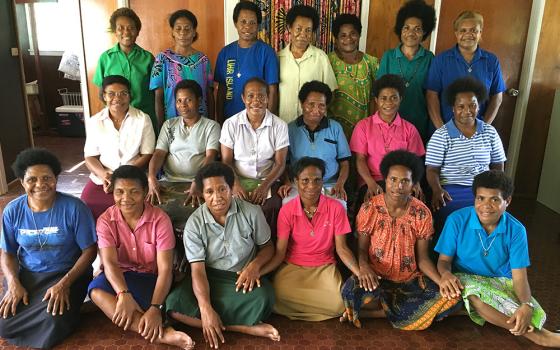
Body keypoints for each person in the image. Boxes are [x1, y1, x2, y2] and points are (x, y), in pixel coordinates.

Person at [435, 170, 560, 347]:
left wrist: (526, 304)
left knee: (528, 311)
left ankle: (541, 331)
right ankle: (542, 338)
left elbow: (519, 277)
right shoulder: (457, 220)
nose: (485, 206)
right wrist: (446, 274)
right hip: (465, 277)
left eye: (494, 199)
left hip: (501, 280)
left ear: (507, 201)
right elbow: (443, 261)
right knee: (475, 295)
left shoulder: (516, 230)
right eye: (480, 198)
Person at [340, 150, 461, 330]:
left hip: (409, 280)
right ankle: (406, 313)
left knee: (452, 297)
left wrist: (440, 279)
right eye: (393, 179)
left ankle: (371, 313)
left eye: (405, 181)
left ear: (413, 185)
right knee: (350, 291)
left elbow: (423, 259)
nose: (398, 186)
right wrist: (364, 267)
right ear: (385, 180)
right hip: (376, 277)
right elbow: (362, 250)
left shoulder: (421, 213)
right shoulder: (369, 208)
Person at [165, 162, 280, 348]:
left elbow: (268, 247)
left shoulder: (251, 212)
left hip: (239, 277)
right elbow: (198, 271)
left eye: (222, 189)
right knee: (173, 304)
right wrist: (205, 308)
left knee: (264, 296)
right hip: (208, 276)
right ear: (202, 195)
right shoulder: (194, 224)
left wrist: (254, 266)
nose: (217, 197)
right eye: (209, 192)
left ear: (231, 188)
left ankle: (213, 321)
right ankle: (244, 327)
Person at [87, 165, 194, 349]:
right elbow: (110, 264)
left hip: (152, 279)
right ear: (112, 192)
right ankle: (163, 335)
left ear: (145, 192)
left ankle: (153, 314)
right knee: (96, 291)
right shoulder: (105, 220)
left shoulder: (160, 220)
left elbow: (165, 270)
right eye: (119, 192)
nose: (126, 199)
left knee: (169, 307)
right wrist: (123, 294)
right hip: (121, 278)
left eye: (133, 192)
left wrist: (154, 307)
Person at [0, 148, 97, 349]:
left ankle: (71, 306)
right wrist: (13, 282)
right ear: (21, 182)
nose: (40, 185)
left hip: (68, 274)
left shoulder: (74, 208)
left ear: (56, 178)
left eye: (47, 178)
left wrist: (64, 284)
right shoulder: (13, 210)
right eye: (32, 180)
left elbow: (90, 252)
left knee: (53, 322)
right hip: (29, 274)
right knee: (3, 321)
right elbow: (7, 252)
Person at [260, 157, 360, 321]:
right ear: (295, 182)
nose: (311, 186)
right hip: (292, 266)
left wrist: (358, 272)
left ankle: (299, 310)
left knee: (339, 303)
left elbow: (342, 249)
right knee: (274, 295)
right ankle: (320, 311)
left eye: (317, 180)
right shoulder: (287, 211)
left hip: (324, 267)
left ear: (323, 181)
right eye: (305, 180)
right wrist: (259, 272)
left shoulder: (336, 208)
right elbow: (279, 254)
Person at [426, 76, 506, 234]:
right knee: (456, 220)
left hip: (484, 190)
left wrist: (497, 190)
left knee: (494, 217)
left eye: (472, 105)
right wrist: (437, 190)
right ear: (453, 108)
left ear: (479, 106)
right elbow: (432, 170)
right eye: (461, 106)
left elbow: (498, 165)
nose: (467, 111)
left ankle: (483, 255)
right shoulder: (441, 135)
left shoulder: (489, 132)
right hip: (451, 190)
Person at [147, 79, 220, 233]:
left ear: (199, 101)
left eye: (188, 100)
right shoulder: (169, 125)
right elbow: (159, 153)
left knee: (200, 219)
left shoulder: (211, 126)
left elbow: (210, 157)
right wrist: (152, 177)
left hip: (198, 183)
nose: (183, 105)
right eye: (179, 100)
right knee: (153, 216)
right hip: (170, 182)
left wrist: (198, 181)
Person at [220, 77, 289, 237]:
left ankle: (266, 245)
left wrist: (264, 187)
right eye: (250, 96)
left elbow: (280, 163)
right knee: (234, 206)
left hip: (268, 179)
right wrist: (235, 184)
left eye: (261, 96)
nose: (256, 101)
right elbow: (226, 161)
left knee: (271, 206)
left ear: (268, 98)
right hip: (237, 177)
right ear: (243, 98)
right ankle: (239, 247)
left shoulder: (279, 126)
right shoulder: (231, 124)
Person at [81, 75, 155, 220]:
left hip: (133, 176)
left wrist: (122, 176)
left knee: (142, 204)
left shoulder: (143, 119)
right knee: (86, 203)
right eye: (111, 94)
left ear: (130, 96)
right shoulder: (95, 121)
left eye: (123, 93)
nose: (117, 98)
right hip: (104, 179)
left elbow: (147, 154)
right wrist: (104, 175)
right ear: (104, 96)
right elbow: (90, 157)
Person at [350, 74, 425, 206]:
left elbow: (415, 162)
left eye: (393, 98)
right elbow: (360, 159)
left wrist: (415, 182)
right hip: (373, 180)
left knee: (417, 205)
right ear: (376, 100)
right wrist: (370, 183)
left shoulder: (410, 129)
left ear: (400, 99)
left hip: (402, 182)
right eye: (383, 98)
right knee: (369, 210)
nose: (389, 103)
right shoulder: (363, 126)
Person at [425, 10, 506, 128]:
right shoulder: (441, 60)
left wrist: (483, 128)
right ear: (456, 33)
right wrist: (441, 130)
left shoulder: (491, 61)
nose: (468, 34)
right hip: (445, 127)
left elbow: (497, 98)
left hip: (477, 131)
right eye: (463, 30)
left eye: (473, 30)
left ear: (480, 33)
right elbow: (431, 96)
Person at [279, 81, 351, 207]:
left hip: (329, 184)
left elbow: (344, 163)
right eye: (311, 104)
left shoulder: (335, 128)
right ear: (302, 104)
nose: (316, 110)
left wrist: (340, 183)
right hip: (300, 185)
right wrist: (287, 182)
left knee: (340, 205)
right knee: (288, 203)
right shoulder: (289, 129)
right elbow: (285, 163)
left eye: (321, 105)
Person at [377, 0, 436, 142]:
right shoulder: (389, 56)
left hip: (419, 123)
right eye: (406, 28)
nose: (411, 33)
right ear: (400, 30)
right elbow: (379, 93)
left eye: (417, 29)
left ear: (424, 32)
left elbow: (432, 96)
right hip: (389, 122)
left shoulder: (430, 58)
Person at [215, 1, 279, 123]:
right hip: (231, 122)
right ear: (235, 23)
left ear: (258, 25)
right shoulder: (225, 53)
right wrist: (220, 121)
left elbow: (272, 91)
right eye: (243, 22)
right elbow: (221, 91)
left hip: (258, 121)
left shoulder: (266, 52)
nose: (247, 27)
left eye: (252, 23)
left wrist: (268, 123)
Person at [94, 8, 156, 132]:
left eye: (131, 28)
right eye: (120, 28)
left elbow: (156, 93)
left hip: (143, 119)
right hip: (116, 120)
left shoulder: (148, 58)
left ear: (138, 31)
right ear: (115, 31)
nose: (126, 32)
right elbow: (102, 93)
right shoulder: (105, 58)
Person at [150, 9, 214, 126]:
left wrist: (213, 124)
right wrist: (161, 127)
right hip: (172, 123)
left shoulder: (203, 60)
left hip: (201, 124)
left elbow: (209, 94)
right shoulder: (162, 59)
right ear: (173, 32)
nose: (182, 33)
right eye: (178, 28)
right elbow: (158, 97)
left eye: (187, 29)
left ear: (194, 32)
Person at [278, 4, 337, 123]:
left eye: (308, 30)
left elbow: (331, 92)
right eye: (298, 29)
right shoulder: (278, 58)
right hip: (283, 125)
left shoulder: (321, 58)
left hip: (313, 127)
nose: (303, 35)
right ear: (290, 28)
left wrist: (317, 114)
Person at [328, 13, 379, 139]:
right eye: (343, 35)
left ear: (359, 34)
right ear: (336, 39)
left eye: (353, 33)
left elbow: (378, 96)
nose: (349, 39)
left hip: (364, 131)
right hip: (334, 131)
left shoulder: (371, 62)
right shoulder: (328, 61)